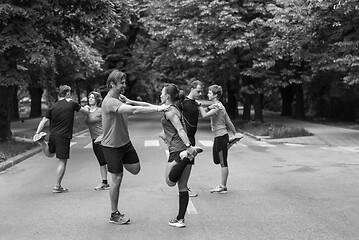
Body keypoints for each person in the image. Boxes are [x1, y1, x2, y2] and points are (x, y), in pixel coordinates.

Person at [101, 69, 168, 225]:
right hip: (112, 147)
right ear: (112, 84)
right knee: (117, 178)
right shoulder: (110, 102)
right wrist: (158, 109)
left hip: (125, 143)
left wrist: (157, 106)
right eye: (122, 83)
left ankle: (116, 166)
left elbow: (138, 104)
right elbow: (134, 110)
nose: (125, 85)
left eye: (125, 82)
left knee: (136, 169)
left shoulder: (120, 98)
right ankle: (114, 214)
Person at [33, 85, 89, 193]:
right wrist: (87, 108)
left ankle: (43, 142)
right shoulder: (72, 104)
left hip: (53, 135)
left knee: (50, 154)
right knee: (62, 161)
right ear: (68, 93)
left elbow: (43, 121)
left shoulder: (53, 106)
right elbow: (85, 112)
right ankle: (57, 186)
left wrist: (37, 133)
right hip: (64, 137)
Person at [160, 83, 202, 228]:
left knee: (169, 182)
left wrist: (188, 148)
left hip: (179, 150)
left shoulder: (170, 111)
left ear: (167, 96)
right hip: (185, 149)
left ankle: (183, 159)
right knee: (182, 186)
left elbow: (180, 130)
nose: (160, 95)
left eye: (162, 93)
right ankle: (180, 220)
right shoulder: (176, 108)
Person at [198, 84, 243, 194]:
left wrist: (199, 106)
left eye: (209, 92)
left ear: (215, 95)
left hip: (221, 136)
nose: (208, 94)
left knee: (223, 162)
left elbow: (204, 115)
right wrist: (235, 134)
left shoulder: (218, 107)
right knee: (216, 160)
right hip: (220, 137)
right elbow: (228, 121)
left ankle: (223, 186)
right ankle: (228, 144)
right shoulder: (219, 105)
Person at [176, 80, 204, 197]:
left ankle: (184, 187)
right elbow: (173, 116)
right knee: (186, 164)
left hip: (192, 136)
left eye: (201, 91)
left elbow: (204, 114)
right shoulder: (182, 103)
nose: (200, 93)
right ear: (191, 88)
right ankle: (183, 189)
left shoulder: (195, 103)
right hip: (186, 138)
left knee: (189, 164)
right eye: (198, 91)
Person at [84, 91, 110, 190]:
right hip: (94, 139)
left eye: (92, 97)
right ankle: (105, 182)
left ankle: (109, 180)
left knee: (105, 160)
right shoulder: (87, 111)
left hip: (102, 138)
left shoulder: (100, 110)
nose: (90, 99)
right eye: (89, 97)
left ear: (97, 100)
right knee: (101, 161)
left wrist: (104, 135)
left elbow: (108, 122)